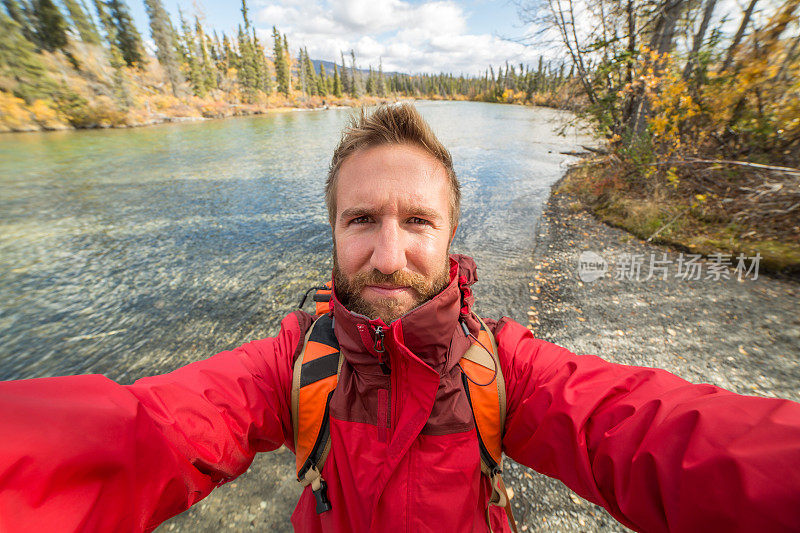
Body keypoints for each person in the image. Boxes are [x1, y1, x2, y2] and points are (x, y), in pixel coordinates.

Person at [1, 103, 799, 533]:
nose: (388, 255)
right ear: (333, 232)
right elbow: (140, 433)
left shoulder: (502, 367)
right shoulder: (292, 365)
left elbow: (652, 432)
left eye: (416, 222)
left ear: (451, 238)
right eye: (361, 221)